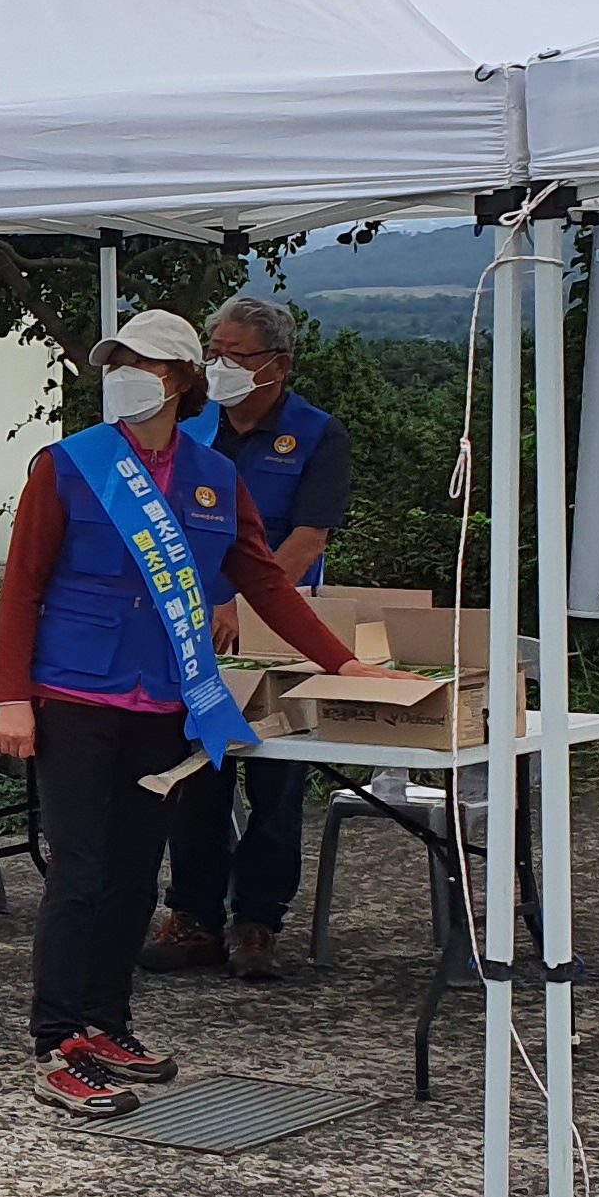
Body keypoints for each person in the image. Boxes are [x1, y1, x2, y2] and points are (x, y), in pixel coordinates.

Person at [0, 312, 363, 1118]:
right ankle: (57, 1040)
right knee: (79, 871)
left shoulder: (213, 475)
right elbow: (20, 587)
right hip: (75, 695)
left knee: (133, 873)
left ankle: (107, 1021)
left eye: (146, 363)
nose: (127, 373)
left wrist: (344, 663)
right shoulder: (67, 466)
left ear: (185, 379)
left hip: (165, 701)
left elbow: (263, 581)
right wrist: (11, 696)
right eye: (117, 360)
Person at [145, 295, 354, 983]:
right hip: (191, 628)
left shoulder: (316, 434)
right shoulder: (191, 428)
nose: (221, 364)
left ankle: (258, 920)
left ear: (278, 365)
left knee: (275, 780)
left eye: (236, 354)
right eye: (215, 351)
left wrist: (244, 600)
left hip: (278, 629)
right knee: (196, 777)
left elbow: (308, 536)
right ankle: (194, 915)